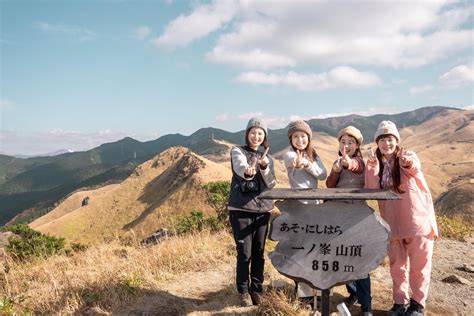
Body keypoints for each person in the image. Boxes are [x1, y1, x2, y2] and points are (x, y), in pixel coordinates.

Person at [365, 121, 438, 316]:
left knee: (419, 268)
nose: (386, 143)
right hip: (392, 226)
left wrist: (407, 161)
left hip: (416, 224)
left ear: (396, 141)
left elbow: (413, 166)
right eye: (382, 139)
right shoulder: (378, 163)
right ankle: (400, 303)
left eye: (390, 139)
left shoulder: (407, 157)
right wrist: (371, 168)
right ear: (377, 143)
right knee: (397, 267)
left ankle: (417, 305)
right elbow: (372, 190)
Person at [228, 117, 276, 307]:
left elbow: (271, 182)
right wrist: (248, 171)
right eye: (253, 132)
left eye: (260, 133)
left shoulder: (268, 158)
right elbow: (240, 167)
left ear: (264, 136)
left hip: (263, 209)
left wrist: (264, 167)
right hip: (241, 209)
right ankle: (243, 291)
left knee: (259, 252)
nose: (256, 136)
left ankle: (257, 290)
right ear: (247, 134)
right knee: (244, 253)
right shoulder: (238, 151)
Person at [326, 126, 372, 316]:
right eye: (343, 142)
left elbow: (357, 167)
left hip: (357, 218)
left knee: (360, 259)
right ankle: (352, 293)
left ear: (357, 145)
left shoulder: (362, 162)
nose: (346, 145)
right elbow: (329, 185)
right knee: (343, 256)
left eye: (350, 142)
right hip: (339, 217)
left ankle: (366, 305)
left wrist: (347, 163)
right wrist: (336, 170)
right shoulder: (337, 162)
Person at [283, 120, 327, 307]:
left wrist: (307, 164)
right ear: (291, 139)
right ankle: (304, 296)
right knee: (301, 250)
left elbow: (323, 174)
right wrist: (299, 164)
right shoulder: (288, 155)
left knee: (316, 249)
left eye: (303, 136)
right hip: (299, 209)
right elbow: (292, 162)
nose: (299, 140)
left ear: (308, 138)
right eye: (295, 136)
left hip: (315, 207)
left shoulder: (314, 155)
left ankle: (319, 288)